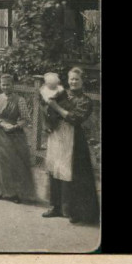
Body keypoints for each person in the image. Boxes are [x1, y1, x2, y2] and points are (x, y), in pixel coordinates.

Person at [42, 67, 99, 225]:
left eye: (77, 79)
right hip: (57, 135)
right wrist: (48, 119)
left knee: (74, 173)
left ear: (82, 81)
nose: (73, 82)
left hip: (74, 139)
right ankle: (55, 207)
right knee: (54, 170)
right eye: (71, 79)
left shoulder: (85, 101)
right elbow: (46, 107)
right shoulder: (61, 94)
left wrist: (55, 107)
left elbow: (75, 118)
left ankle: (75, 211)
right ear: (67, 80)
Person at [0, 73, 36, 203]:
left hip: (14, 135)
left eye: (8, 84)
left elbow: (26, 119)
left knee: (13, 162)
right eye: (3, 84)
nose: (6, 87)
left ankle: (14, 192)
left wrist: (15, 126)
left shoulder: (20, 100)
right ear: (0, 85)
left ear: (13, 85)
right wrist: (2, 124)